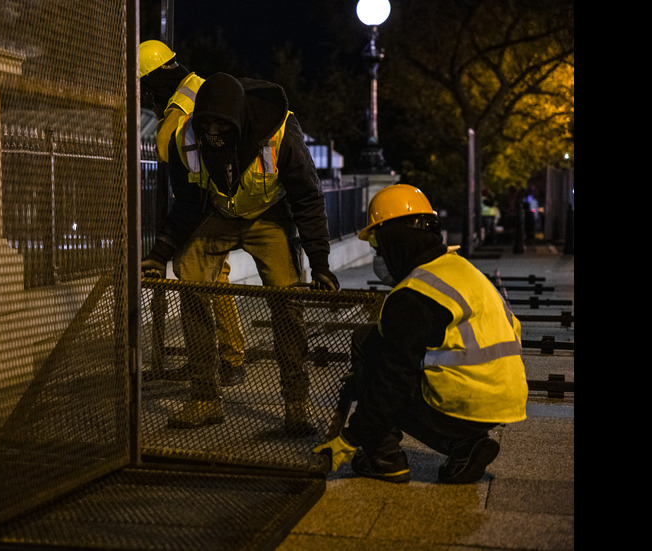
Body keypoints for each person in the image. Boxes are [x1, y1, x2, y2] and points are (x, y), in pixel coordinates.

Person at [141, 72, 340, 436]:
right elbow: (186, 204)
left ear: (240, 122)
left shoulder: (280, 134)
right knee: (192, 282)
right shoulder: (187, 137)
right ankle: (205, 398)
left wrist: (320, 263)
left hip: (269, 215)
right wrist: (160, 254)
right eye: (208, 125)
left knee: (286, 299)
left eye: (222, 126)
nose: (214, 132)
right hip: (218, 212)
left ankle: (296, 403)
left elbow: (307, 198)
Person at [313, 184, 528, 483]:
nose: (380, 258)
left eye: (379, 248)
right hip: (504, 400)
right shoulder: (463, 271)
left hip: (462, 402)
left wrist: (351, 438)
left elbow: (393, 382)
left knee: (369, 346)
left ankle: (383, 457)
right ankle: (465, 445)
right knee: (386, 353)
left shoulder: (412, 295)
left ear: (396, 241)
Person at [139, 40, 246, 385]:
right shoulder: (199, 87)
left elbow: (182, 177)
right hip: (221, 199)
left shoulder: (176, 113)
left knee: (205, 280)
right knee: (217, 278)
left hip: (203, 206)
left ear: (153, 81)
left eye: (143, 86)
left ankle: (222, 360)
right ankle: (222, 357)